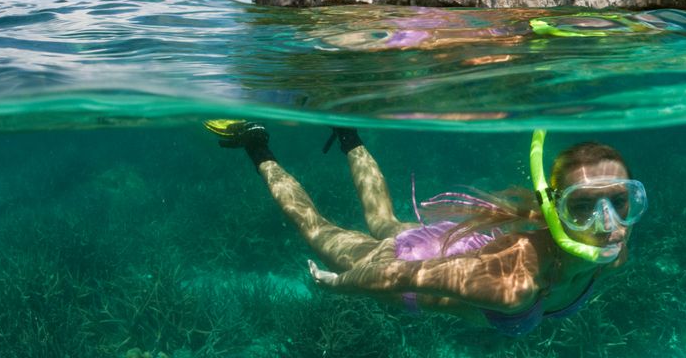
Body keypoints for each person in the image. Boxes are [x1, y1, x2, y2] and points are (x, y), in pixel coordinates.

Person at [203, 120, 647, 337]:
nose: (609, 224)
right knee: (318, 233)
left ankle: (345, 127)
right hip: (408, 267)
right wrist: (337, 285)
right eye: (583, 207)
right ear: (554, 210)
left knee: (383, 221)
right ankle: (256, 143)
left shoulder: (613, 250)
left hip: (451, 249)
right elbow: (401, 276)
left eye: (621, 201)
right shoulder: (515, 286)